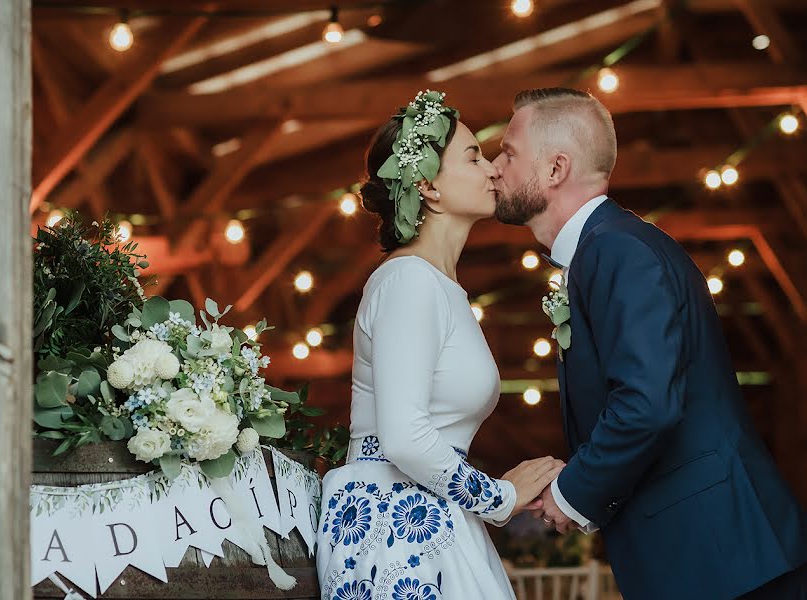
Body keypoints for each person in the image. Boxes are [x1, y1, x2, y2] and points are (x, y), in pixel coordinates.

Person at [493, 86, 807, 600]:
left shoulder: (617, 251)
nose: (495, 167)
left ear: (555, 169)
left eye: (508, 152)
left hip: (723, 557)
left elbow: (647, 404)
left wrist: (572, 494)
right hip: (708, 555)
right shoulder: (606, 249)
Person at [315, 90, 563, 600]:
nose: (494, 168)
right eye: (473, 156)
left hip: (428, 513)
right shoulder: (409, 281)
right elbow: (403, 437)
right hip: (393, 525)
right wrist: (498, 496)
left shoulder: (439, 286)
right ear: (427, 186)